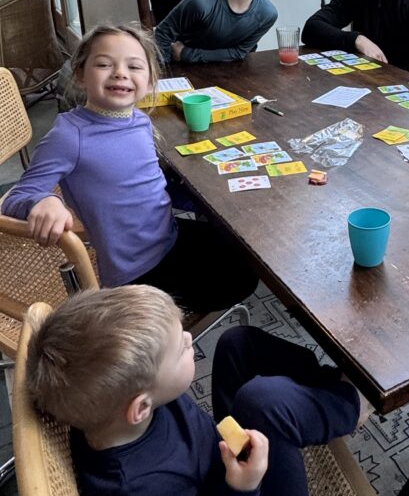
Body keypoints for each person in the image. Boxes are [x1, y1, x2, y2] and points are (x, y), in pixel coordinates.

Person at [25, 285, 365, 496]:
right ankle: (352, 405)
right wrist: (240, 492)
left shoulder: (111, 418)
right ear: (141, 408)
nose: (190, 338)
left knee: (237, 342)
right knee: (265, 403)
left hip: (220, 463)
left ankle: (328, 389)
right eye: (180, 349)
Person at [1, 22, 256, 310]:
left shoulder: (140, 120)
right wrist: (44, 200)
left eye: (134, 66)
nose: (120, 72)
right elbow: (19, 196)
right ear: (80, 75)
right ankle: (159, 342)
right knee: (243, 277)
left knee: (248, 249)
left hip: (166, 237)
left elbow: (145, 186)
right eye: (104, 64)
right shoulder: (69, 135)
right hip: (138, 275)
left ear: (149, 82)